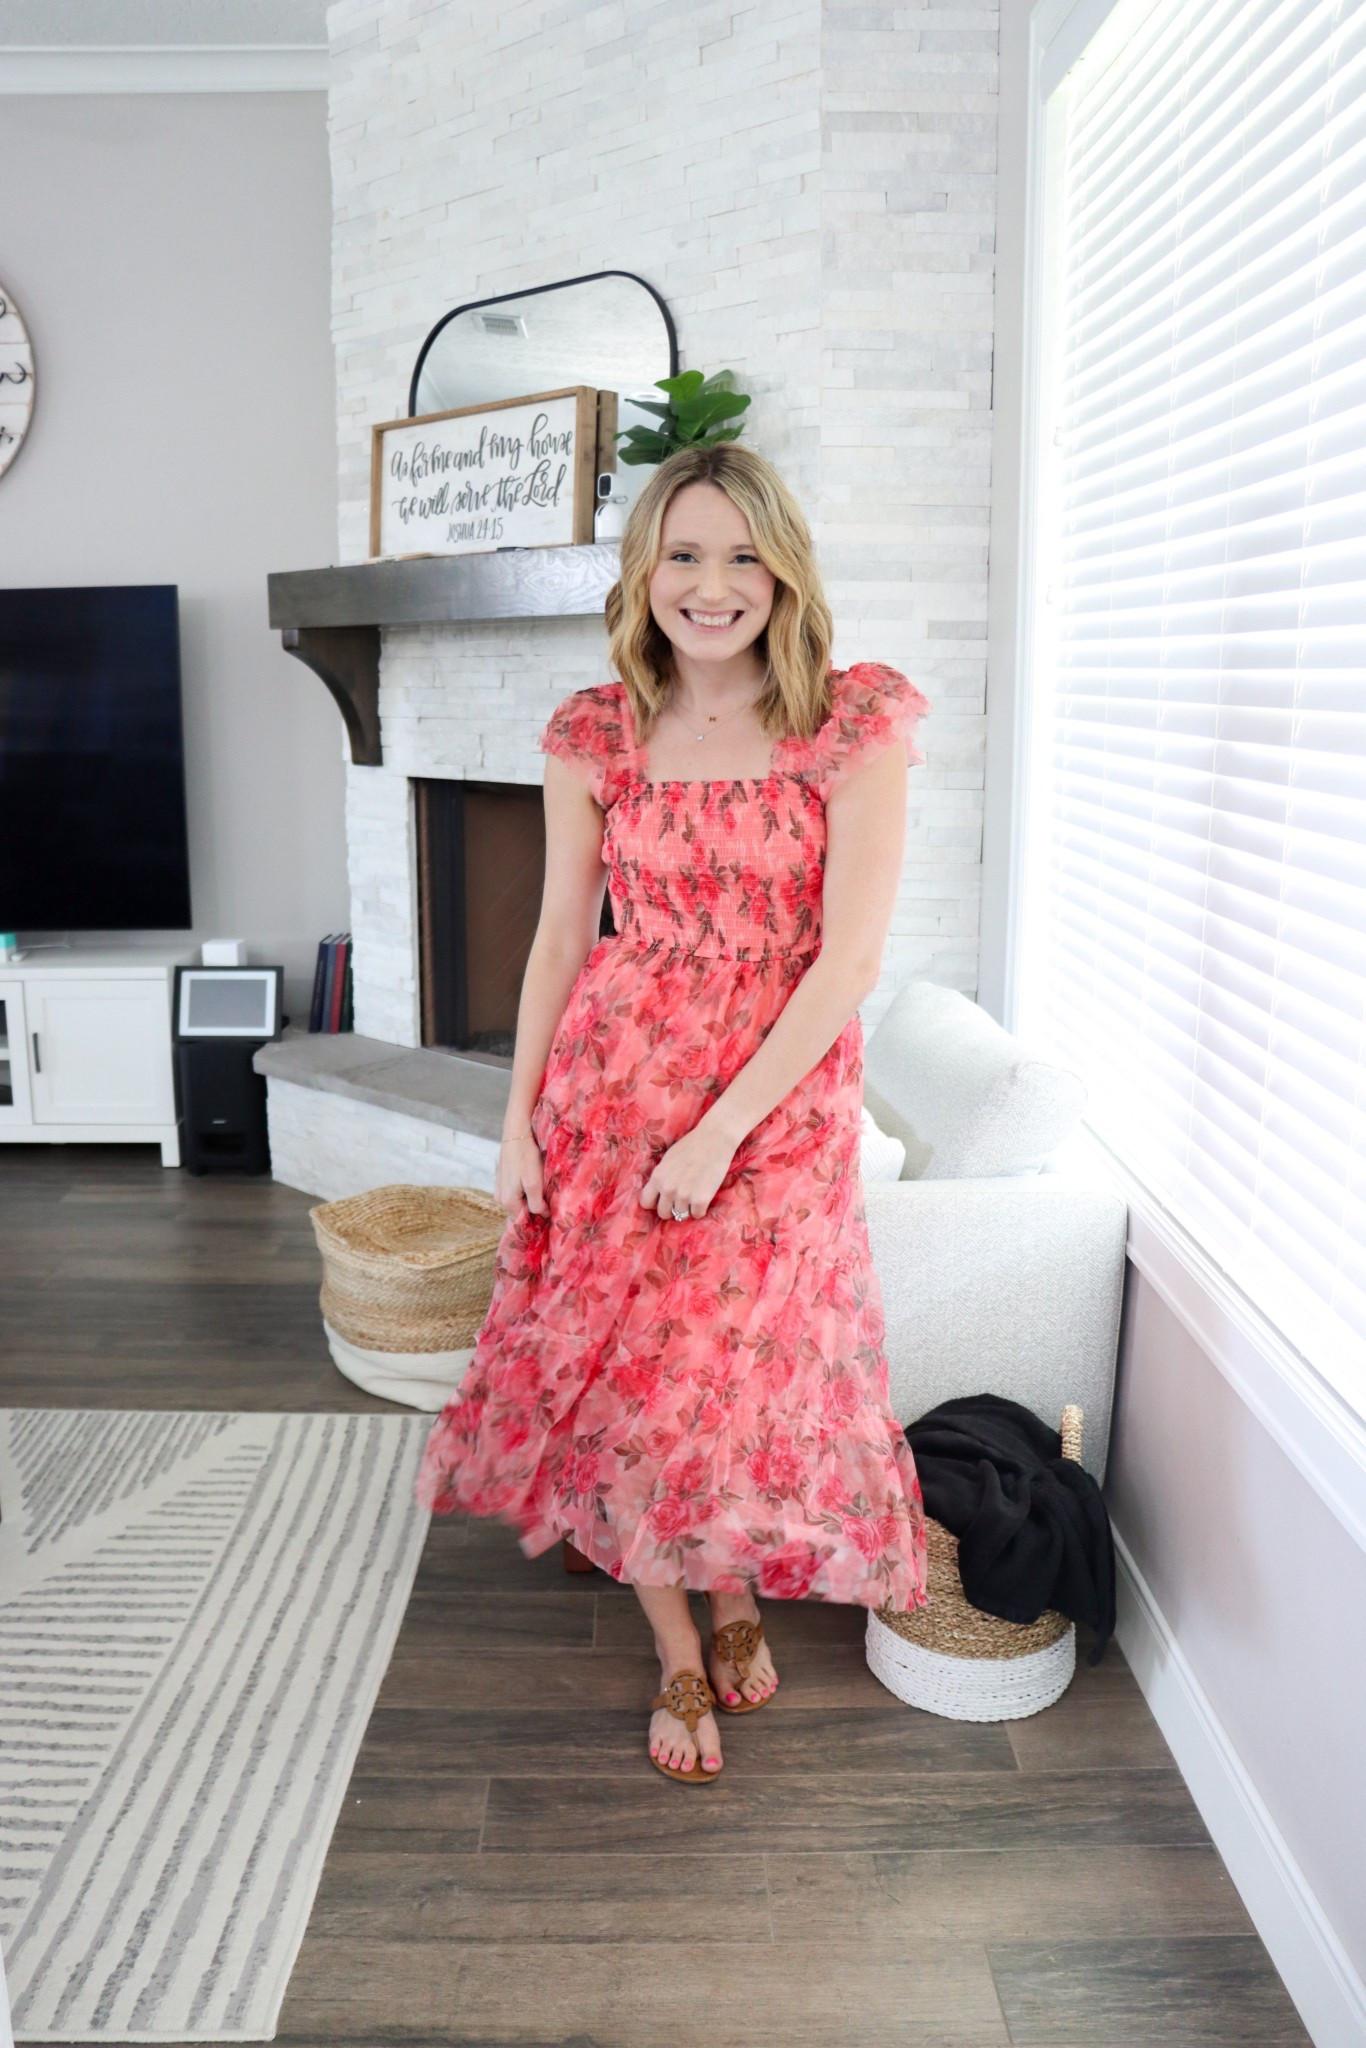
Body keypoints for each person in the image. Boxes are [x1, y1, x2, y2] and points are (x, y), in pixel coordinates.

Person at [415, 441, 930, 1784]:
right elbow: (555, 942)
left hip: (774, 1104)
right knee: (631, 1372)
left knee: (739, 1371)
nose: (713, 585)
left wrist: (720, 1133)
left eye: (743, 555)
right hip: (616, 1088)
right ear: (644, 571)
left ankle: (736, 1579)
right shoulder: (598, 733)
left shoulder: (851, 724)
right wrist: (517, 1123)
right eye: (683, 554)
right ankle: (677, 1645)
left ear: (784, 571)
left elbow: (848, 964)